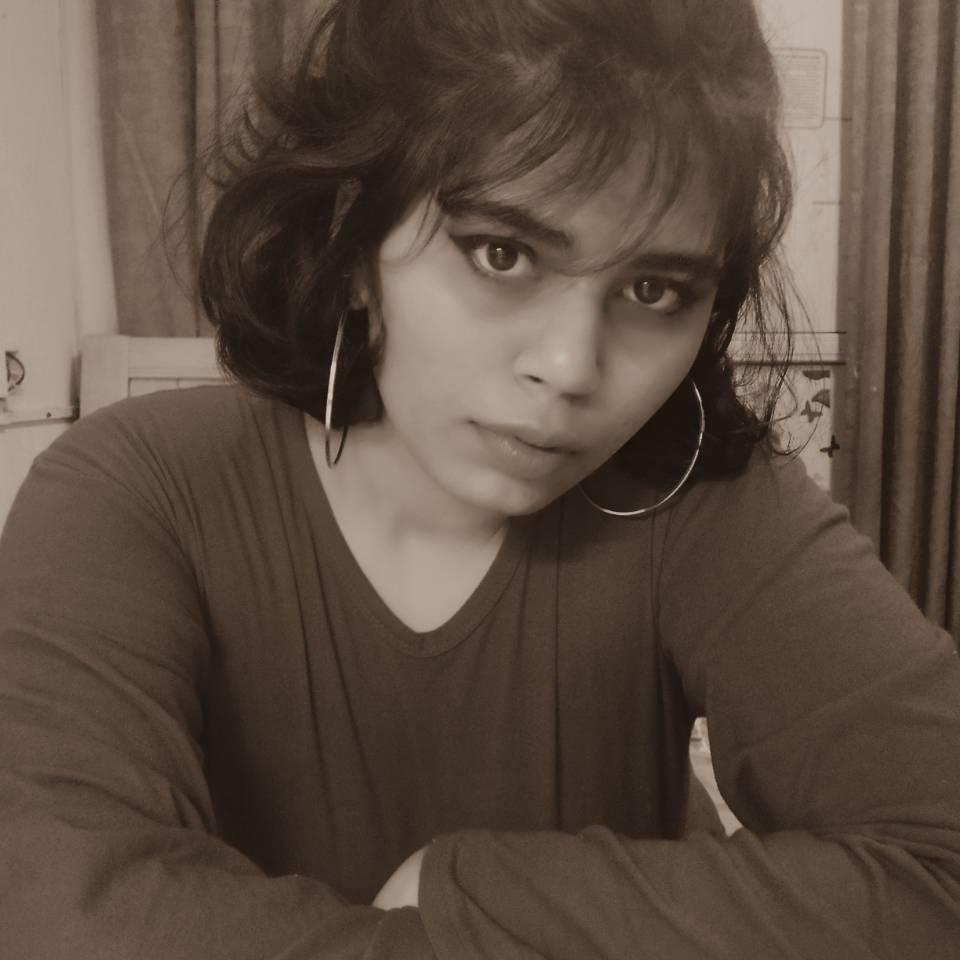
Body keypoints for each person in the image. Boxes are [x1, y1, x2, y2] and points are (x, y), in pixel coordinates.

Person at [1, 0, 958, 956]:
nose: (571, 367)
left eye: (654, 289)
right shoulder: (136, 490)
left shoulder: (704, 500)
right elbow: (56, 917)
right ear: (354, 239)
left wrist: (473, 893)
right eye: (503, 253)